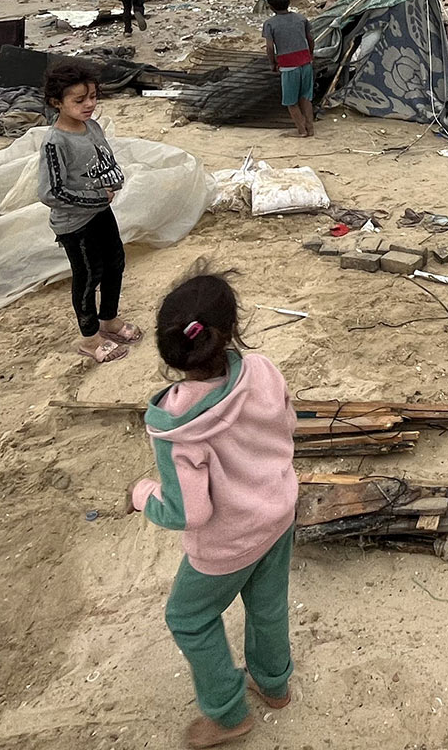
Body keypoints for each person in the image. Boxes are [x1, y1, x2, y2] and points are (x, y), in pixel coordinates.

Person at [130, 272, 299, 749]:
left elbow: (187, 513)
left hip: (227, 543)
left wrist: (142, 494)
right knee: (267, 605)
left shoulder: (177, 423)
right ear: (232, 329)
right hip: (278, 512)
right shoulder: (263, 370)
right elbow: (287, 424)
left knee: (189, 617)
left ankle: (227, 713)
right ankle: (274, 683)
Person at [37, 60, 140, 364]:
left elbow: (105, 160)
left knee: (115, 262)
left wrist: (114, 181)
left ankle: (109, 319)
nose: (89, 105)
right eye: (79, 100)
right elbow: (51, 192)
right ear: (58, 102)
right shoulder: (55, 143)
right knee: (88, 275)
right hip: (74, 224)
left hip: (100, 213)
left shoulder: (92, 127)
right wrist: (96, 197)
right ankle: (89, 337)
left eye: (93, 97)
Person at [262, 0, 315, 136]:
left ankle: (301, 130)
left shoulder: (270, 24)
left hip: (288, 66)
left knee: (291, 102)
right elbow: (310, 39)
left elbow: (270, 48)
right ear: (289, 1)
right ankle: (310, 128)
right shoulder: (301, 19)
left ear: (270, 6)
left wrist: (273, 63)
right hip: (305, 63)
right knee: (305, 98)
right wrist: (310, 55)